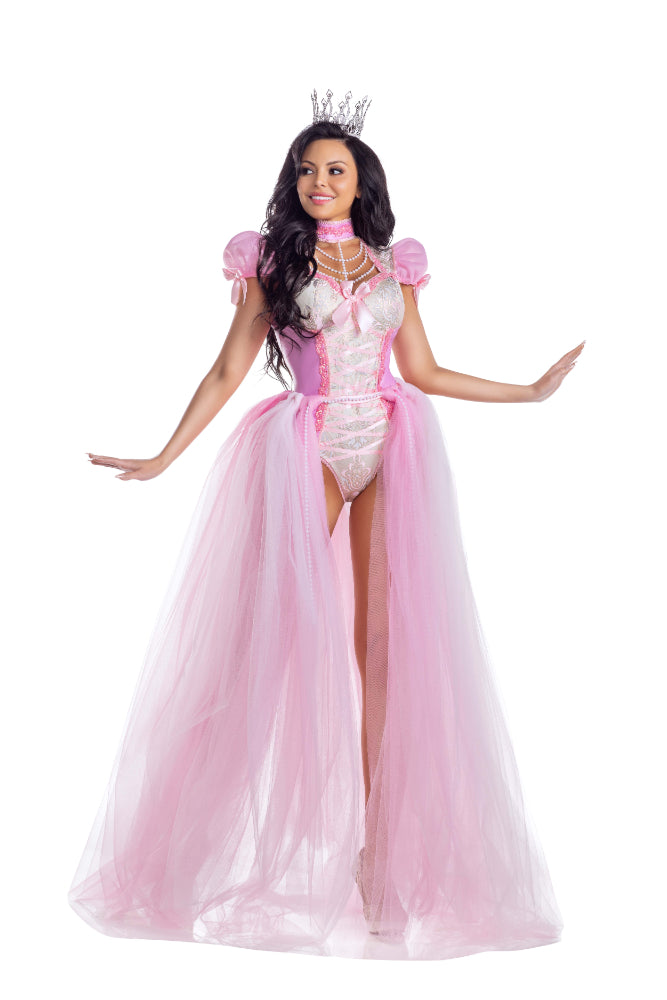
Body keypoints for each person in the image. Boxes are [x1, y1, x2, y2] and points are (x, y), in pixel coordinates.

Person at [68, 90, 583, 961]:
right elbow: (229, 369)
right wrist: (163, 456)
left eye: (334, 170)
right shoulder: (269, 261)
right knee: (265, 642)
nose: (318, 181)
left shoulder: (392, 265)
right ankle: (185, 856)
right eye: (306, 170)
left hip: (389, 444)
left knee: (382, 650)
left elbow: (421, 368)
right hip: (306, 443)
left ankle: (379, 860)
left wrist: (528, 392)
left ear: (359, 183)